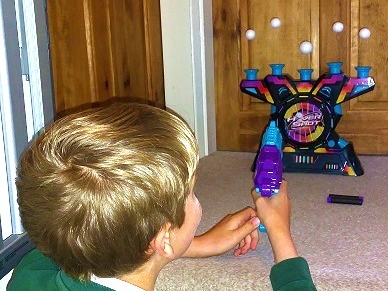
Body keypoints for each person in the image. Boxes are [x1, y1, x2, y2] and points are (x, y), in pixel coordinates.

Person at [7, 102, 315, 290]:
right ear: (162, 238)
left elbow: (51, 252)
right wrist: (279, 232)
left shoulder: (30, 275)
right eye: (192, 194)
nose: (197, 201)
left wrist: (194, 245)